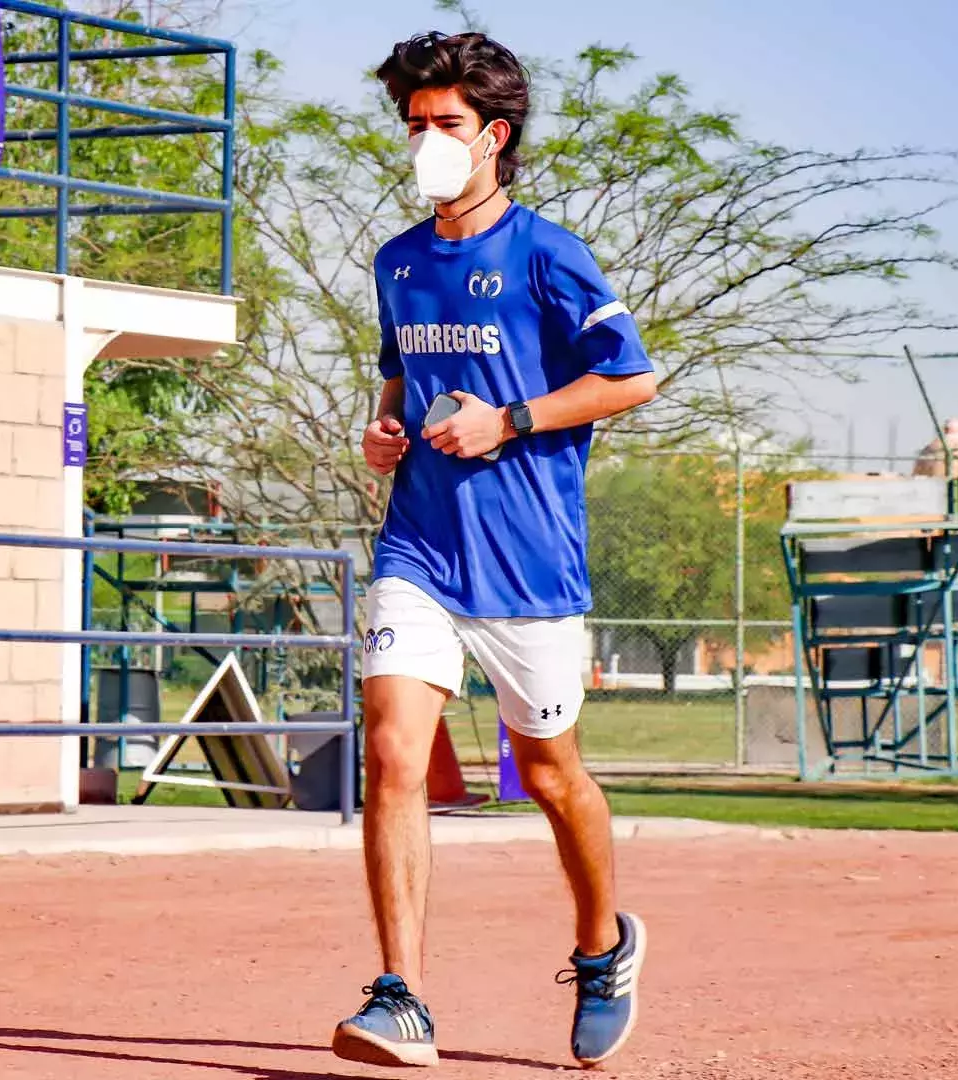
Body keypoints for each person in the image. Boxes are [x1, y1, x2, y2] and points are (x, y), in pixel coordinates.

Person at [330, 30, 659, 1070]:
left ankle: (604, 945)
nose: (426, 139)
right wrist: (383, 432)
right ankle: (403, 998)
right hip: (419, 548)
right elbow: (398, 383)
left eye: (446, 124)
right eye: (415, 123)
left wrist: (509, 421)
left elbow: (631, 378)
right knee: (391, 754)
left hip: (528, 567)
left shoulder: (548, 253)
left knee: (551, 773)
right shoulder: (397, 262)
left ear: (494, 136)